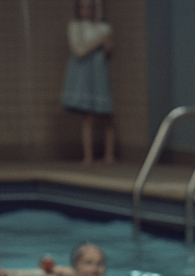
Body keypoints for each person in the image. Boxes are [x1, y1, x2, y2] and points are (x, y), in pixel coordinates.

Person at [60, 0, 115, 166]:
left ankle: (109, 155)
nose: (87, 10)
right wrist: (99, 41)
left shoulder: (104, 27)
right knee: (88, 116)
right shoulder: (76, 26)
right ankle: (88, 156)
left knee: (106, 114)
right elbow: (79, 51)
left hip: (99, 72)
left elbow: (109, 53)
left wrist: (106, 44)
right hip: (83, 72)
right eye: (83, 7)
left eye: (90, 7)